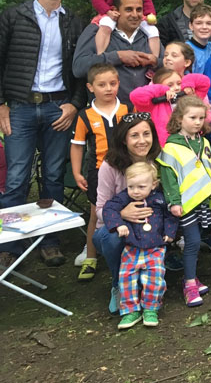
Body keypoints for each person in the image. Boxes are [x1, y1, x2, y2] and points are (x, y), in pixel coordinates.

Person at [0, 0, 85, 267]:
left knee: (52, 176)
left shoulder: (74, 21)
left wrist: (75, 103)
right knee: (16, 177)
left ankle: (49, 240)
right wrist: (1, 103)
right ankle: (9, 244)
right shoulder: (14, 16)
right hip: (20, 106)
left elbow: (81, 69)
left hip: (57, 107)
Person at [93, 113, 162, 314]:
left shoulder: (158, 159)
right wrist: (122, 214)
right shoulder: (110, 166)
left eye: (146, 134)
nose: (142, 141)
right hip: (115, 229)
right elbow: (99, 209)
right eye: (135, 135)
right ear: (124, 139)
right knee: (111, 236)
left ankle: (151, 280)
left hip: (150, 227)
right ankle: (119, 285)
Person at [157, 96, 211, 307]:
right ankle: (189, 283)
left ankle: (192, 276)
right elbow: (168, 178)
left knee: (197, 239)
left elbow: (208, 169)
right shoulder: (171, 147)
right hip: (183, 203)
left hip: (201, 200)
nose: (198, 122)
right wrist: (174, 202)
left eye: (201, 117)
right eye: (192, 117)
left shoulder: (203, 142)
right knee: (192, 242)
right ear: (179, 118)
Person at [70, 63, 128, 281]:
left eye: (112, 83)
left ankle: (130, 250)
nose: (108, 89)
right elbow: (76, 145)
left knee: (129, 205)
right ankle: (91, 257)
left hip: (127, 169)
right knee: (97, 212)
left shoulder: (127, 108)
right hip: (98, 172)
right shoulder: (85, 115)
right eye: (102, 84)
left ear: (118, 84)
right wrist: (77, 172)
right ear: (90, 87)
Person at [103, 162, 177, 329]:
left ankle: (151, 308)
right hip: (131, 247)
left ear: (153, 184)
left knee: (154, 279)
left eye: (141, 187)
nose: (135, 191)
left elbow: (170, 215)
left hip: (155, 247)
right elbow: (108, 208)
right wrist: (118, 224)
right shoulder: (124, 198)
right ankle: (130, 311)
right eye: (131, 186)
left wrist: (170, 233)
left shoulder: (159, 198)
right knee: (126, 279)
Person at [73, 0, 159, 105]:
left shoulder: (149, 34)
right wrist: (118, 57)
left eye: (139, 10)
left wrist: (154, 61)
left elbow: (169, 66)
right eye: (128, 9)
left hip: (146, 112)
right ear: (115, 10)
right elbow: (79, 67)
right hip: (108, 113)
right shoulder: (96, 31)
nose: (135, 15)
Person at [130, 67, 210, 147]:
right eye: (170, 85)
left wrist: (187, 84)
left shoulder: (189, 98)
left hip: (191, 144)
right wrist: (163, 90)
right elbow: (135, 95)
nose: (176, 88)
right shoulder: (154, 105)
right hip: (166, 147)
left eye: (179, 83)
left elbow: (205, 81)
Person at [185, 4, 211, 73]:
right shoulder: (185, 50)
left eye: (209, 23)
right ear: (191, 26)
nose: (204, 27)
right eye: (199, 23)